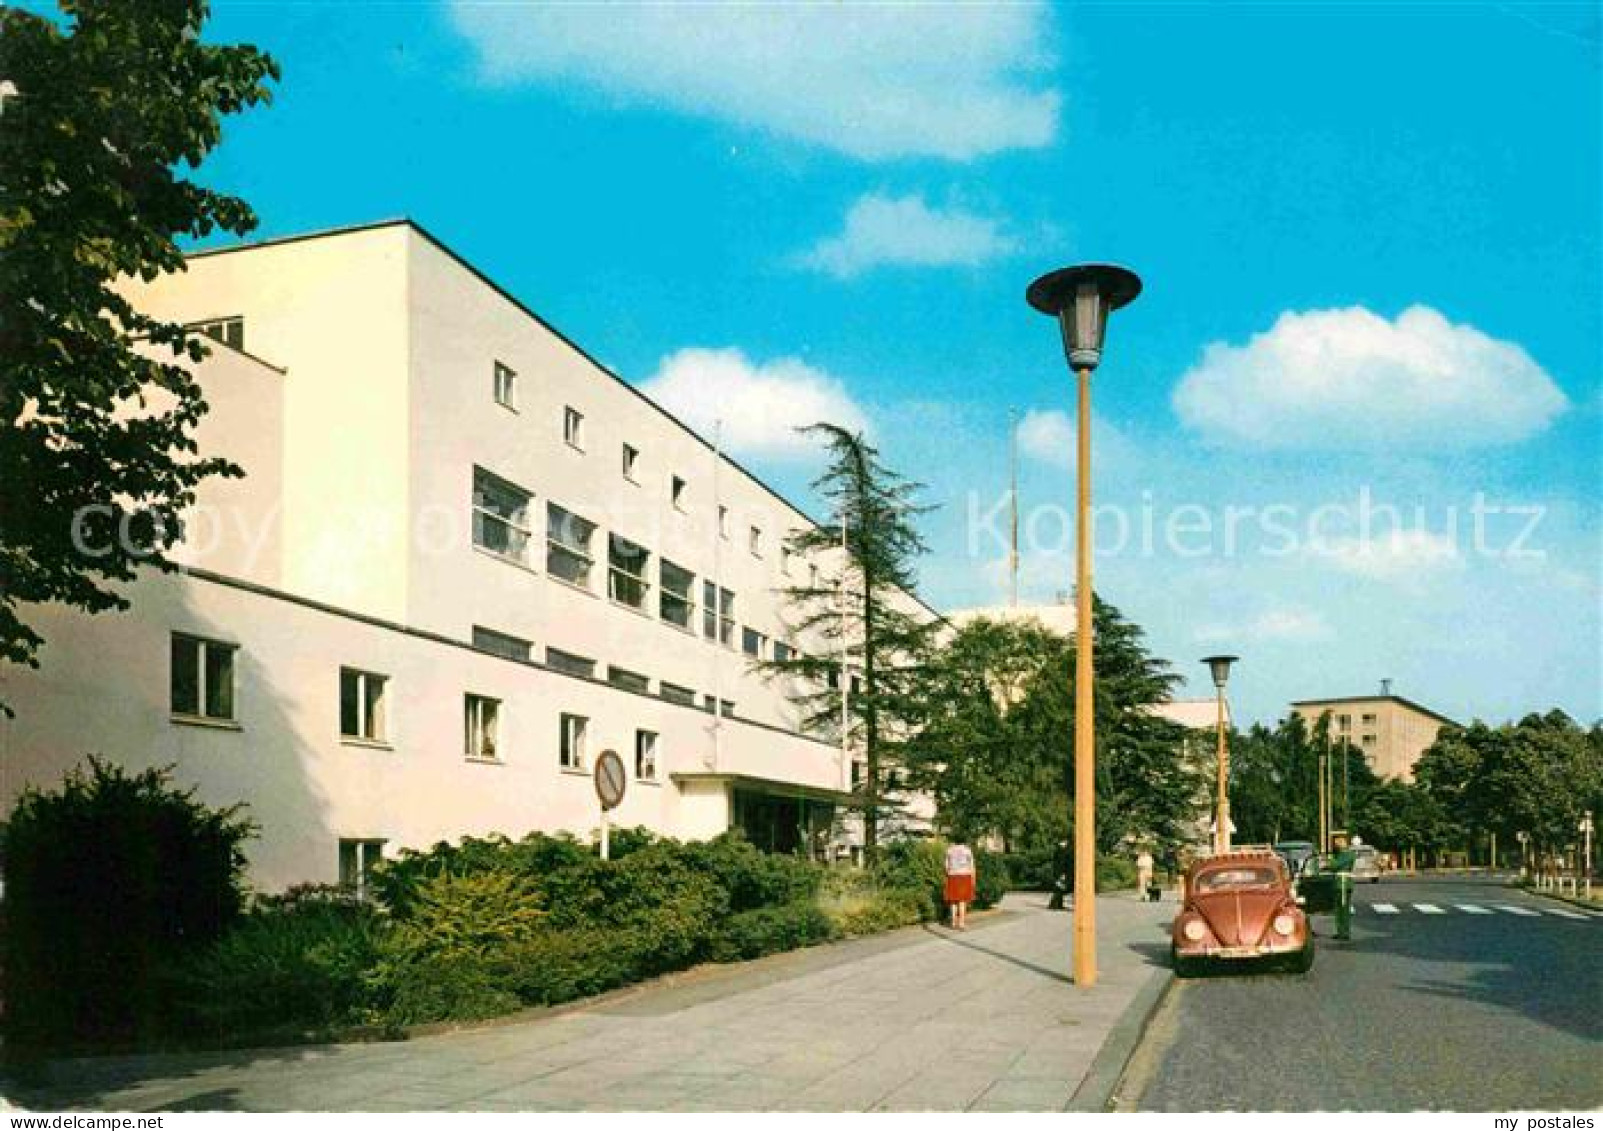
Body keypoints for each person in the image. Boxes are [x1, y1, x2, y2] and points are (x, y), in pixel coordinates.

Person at [944, 841, 977, 929]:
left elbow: (946, 867)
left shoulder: (949, 850)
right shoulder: (967, 850)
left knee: (953, 901)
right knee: (962, 901)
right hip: (964, 876)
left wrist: (950, 873)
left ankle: (953, 923)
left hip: (952, 876)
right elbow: (972, 866)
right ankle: (961, 923)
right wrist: (973, 878)